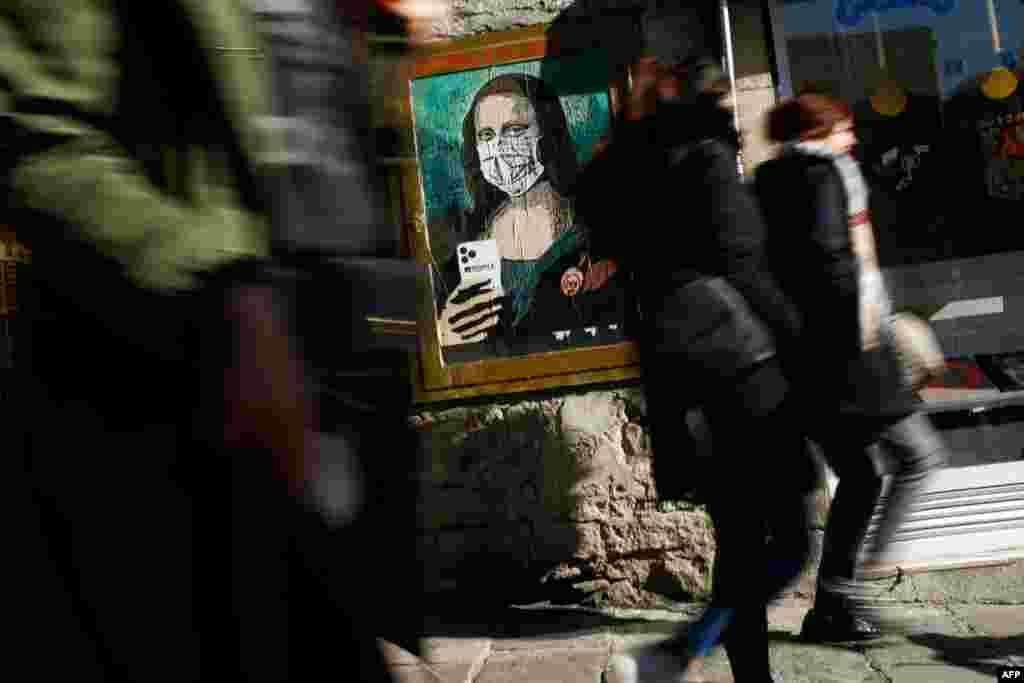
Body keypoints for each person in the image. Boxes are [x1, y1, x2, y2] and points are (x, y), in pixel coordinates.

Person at [6, 1, 443, 680]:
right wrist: (222, 292)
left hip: (334, 368)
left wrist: (376, 33)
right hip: (173, 412)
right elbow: (41, 133)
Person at [586, 56, 816, 683]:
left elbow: (596, 216)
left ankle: (743, 676)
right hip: (744, 372)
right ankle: (682, 650)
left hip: (681, 385)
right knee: (792, 543)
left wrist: (631, 122)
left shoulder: (627, 168)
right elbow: (747, 267)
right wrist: (807, 350)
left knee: (740, 544)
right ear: (710, 101)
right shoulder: (708, 158)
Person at [755, 94, 950, 642]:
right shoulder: (825, 174)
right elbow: (833, 261)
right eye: (844, 127)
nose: (853, 138)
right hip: (851, 358)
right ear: (819, 130)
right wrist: (866, 340)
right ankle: (864, 575)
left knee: (863, 475)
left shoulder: (768, 181)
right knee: (920, 455)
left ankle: (831, 607)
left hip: (806, 363)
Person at [436, 73, 627, 349]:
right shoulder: (463, 240)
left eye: (514, 129)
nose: (499, 148)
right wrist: (444, 333)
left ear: (547, 133)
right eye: (486, 135)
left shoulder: (593, 227)